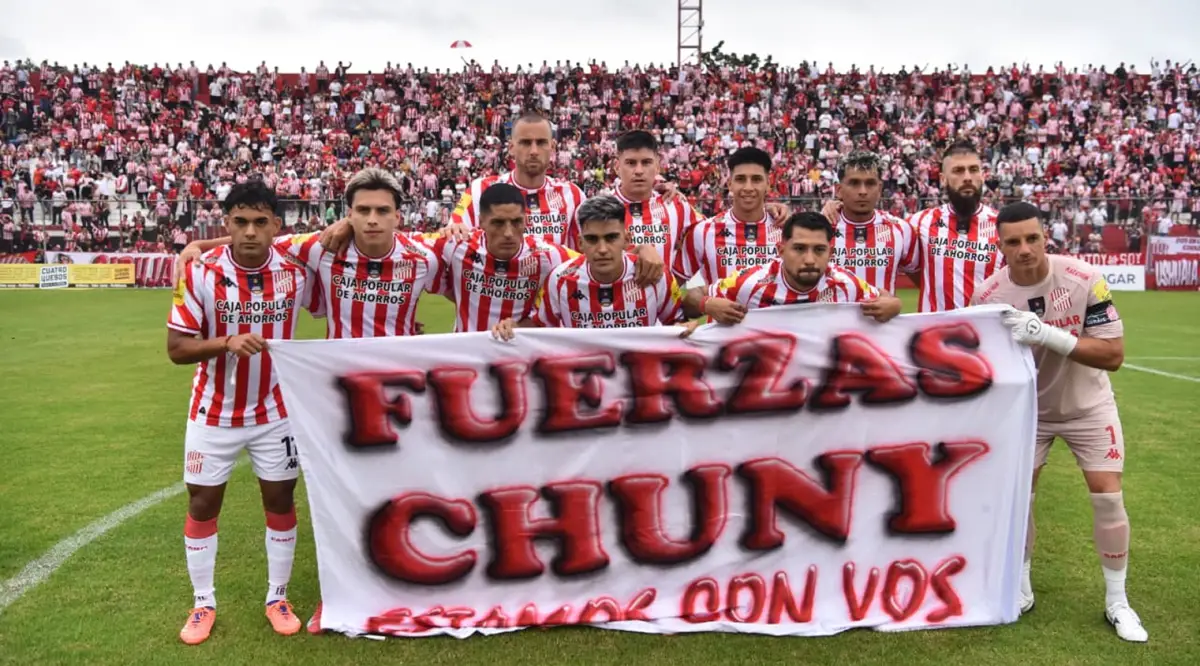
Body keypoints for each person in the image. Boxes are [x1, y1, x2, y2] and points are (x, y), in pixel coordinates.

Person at [973, 201, 1147, 643]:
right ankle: (1021, 584)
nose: (1025, 249)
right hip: (1030, 411)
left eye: (1032, 238)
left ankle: (1117, 600)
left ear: (1045, 236)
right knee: (1020, 498)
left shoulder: (1084, 278)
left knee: (1108, 496)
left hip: (1089, 406)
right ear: (1001, 246)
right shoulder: (988, 296)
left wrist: (1048, 335)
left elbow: (1114, 355)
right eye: (1013, 242)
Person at [166, 181, 319, 645]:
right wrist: (226, 343)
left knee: (279, 501)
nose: (250, 232)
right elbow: (176, 349)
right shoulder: (200, 272)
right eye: (239, 222)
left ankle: (277, 596)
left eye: (260, 222)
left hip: (275, 412)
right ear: (227, 224)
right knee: (202, 503)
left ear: (277, 225)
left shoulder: (295, 266)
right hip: (212, 413)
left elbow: (348, 233)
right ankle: (203, 603)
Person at [178, 168, 445, 339]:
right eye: (363, 210)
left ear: (397, 217)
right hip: (337, 376)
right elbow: (261, 236)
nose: (372, 219)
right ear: (349, 215)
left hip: (400, 376)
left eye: (382, 211)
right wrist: (199, 246)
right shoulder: (320, 246)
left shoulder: (424, 256)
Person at [491, 195, 693, 338]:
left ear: (626, 239)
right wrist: (513, 327)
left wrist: (689, 329)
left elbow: (675, 324)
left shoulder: (654, 275)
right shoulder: (560, 280)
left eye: (611, 237)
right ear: (580, 243)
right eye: (592, 239)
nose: (602, 249)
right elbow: (540, 325)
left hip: (637, 391)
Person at [680, 212, 903, 335]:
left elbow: (883, 296)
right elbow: (692, 298)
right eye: (799, 248)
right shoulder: (751, 282)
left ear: (831, 253)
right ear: (781, 250)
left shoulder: (845, 284)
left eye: (819, 250)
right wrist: (707, 304)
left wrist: (894, 304)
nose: (809, 259)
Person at [429, 182, 578, 332]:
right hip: (469, 352)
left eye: (516, 222)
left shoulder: (547, 255)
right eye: (498, 223)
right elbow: (408, 246)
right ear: (481, 222)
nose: (508, 233)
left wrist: (522, 326)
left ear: (525, 221)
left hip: (520, 352)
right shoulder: (456, 245)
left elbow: (587, 264)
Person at [447, 111, 585, 246]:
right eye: (525, 143)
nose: (534, 151)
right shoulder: (477, 190)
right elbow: (454, 230)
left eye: (541, 142)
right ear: (511, 148)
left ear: (553, 147)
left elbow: (583, 254)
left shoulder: (573, 194)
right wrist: (453, 229)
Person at [907, 141, 1003, 312]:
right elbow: (909, 268)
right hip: (935, 334)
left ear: (982, 176)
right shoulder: (919, 222)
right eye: (958, 171)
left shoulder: (1002, 225)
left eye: (973, 170)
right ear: (943, 179)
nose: (967, 177)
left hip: (986, 334)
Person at [672, 146, 783, 286]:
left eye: (756, 179)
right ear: (730, 184)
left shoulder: (785, 230)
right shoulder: (703, 231)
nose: (748, 187)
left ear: (768, 185)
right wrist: (699, 302)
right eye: (741, 179)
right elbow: (675, 288)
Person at [818, 150, 918, 294]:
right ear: (838, 190)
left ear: (879, 189)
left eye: (870, 183)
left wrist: (894, 304)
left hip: (882, 317)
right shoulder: (819, 228)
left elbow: (923, 280)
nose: (863, 191)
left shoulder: (901, 229)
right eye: (854, 183)